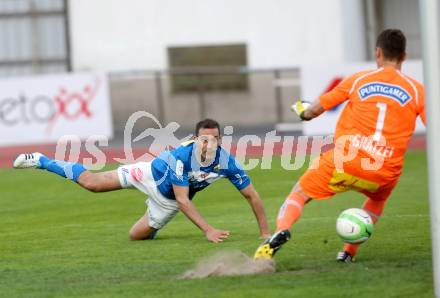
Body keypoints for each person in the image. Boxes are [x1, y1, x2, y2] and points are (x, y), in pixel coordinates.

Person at [254, 29, 425, 262]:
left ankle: (281, 230)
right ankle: (347, 252)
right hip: (385, 169)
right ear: (404, 56)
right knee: (376, 202)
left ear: (378, 53)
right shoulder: (418, 90)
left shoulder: (358, 80)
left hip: (346, 160)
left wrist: (303, 112)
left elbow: (313, 110)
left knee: (300, 193)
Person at [14, 118, 270, 243]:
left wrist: (265, 233)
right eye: (204, 138)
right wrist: (208, 230)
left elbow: (252, 195)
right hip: (149, 174)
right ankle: (42, 160)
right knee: (92, 184)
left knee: (135, 237)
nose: (208, 143)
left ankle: (152, 217)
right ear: (196, 138)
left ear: (220, 140)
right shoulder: (181, 156)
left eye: (213, 138)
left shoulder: (227, 162)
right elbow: (184, 200)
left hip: (166, 202)